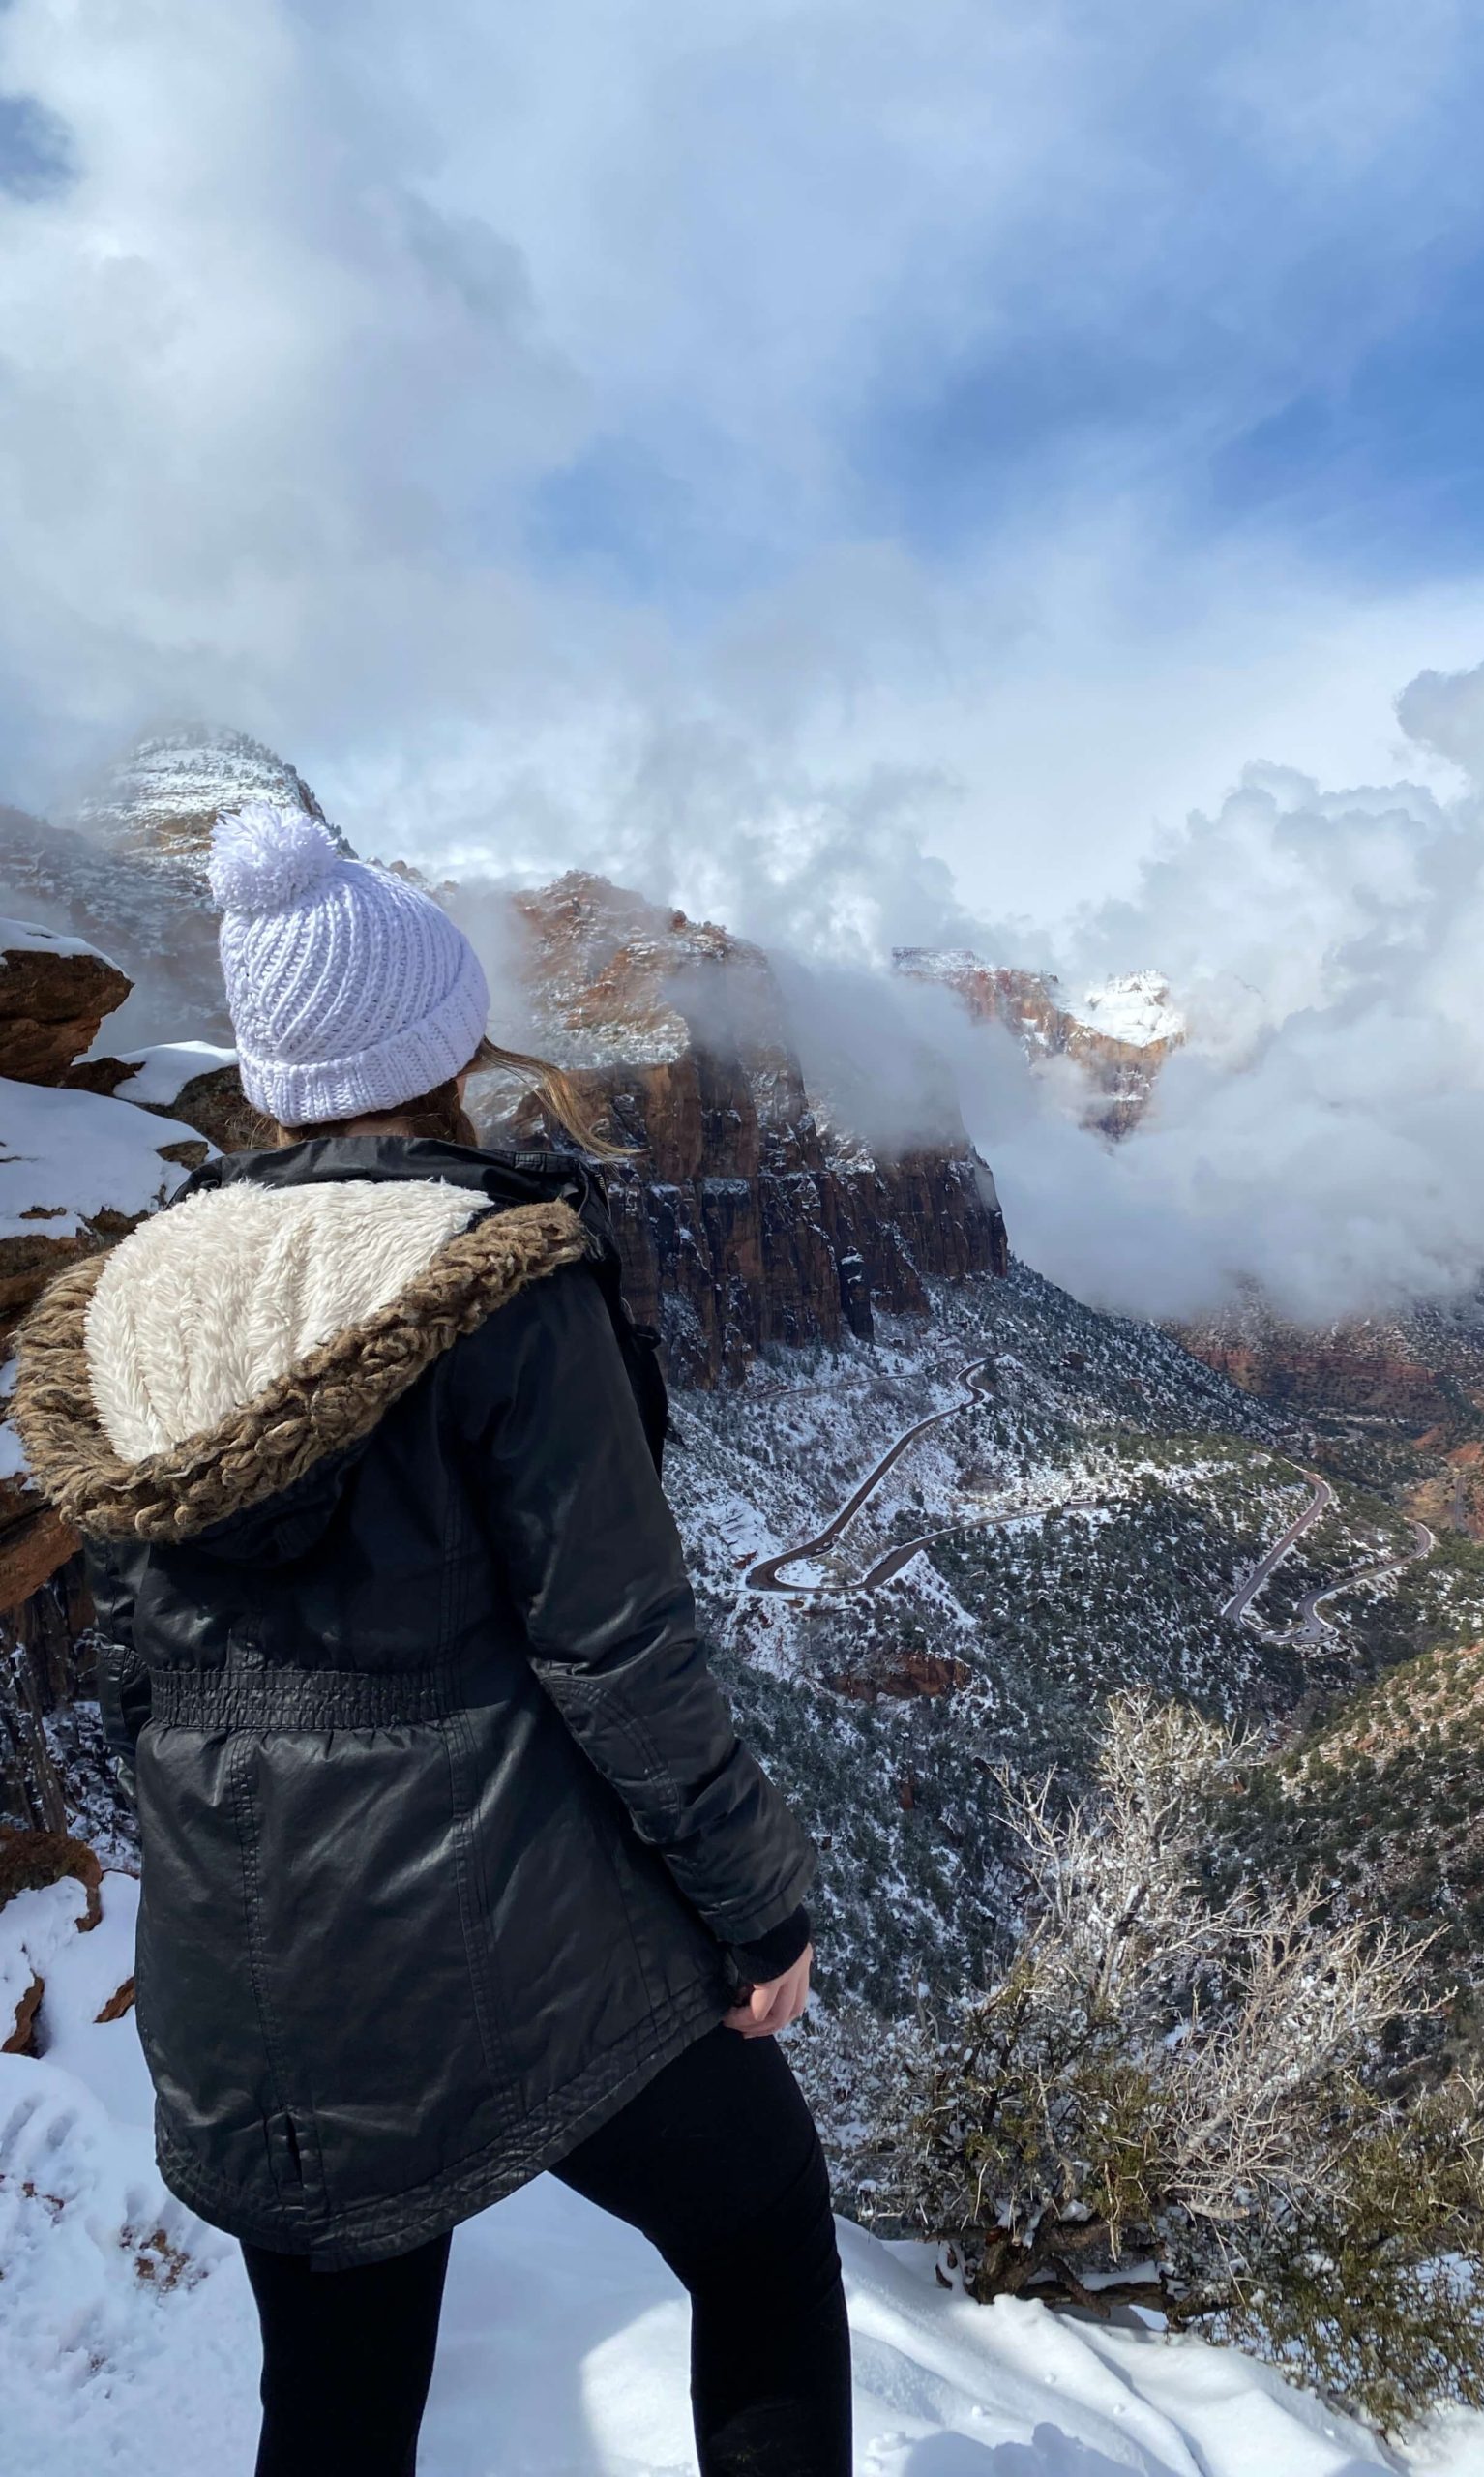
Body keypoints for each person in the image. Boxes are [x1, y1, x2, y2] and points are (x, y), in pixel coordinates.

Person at [12, 801, 850, 2477]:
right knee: (761, 2220)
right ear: (445, 1038)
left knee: (332, 2404)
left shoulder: (129, 1296)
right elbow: (620, 1649)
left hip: (236, 1975)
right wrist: (759, 1911)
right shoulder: (501, 1283)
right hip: (498, 1952)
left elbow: (135, 1666)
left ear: (267, 1072)